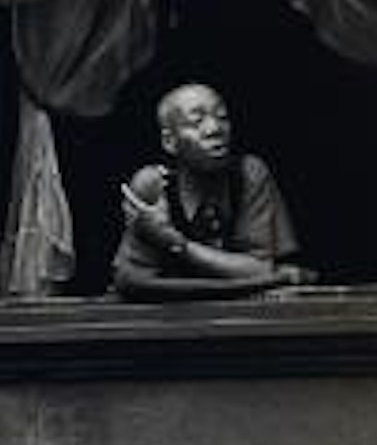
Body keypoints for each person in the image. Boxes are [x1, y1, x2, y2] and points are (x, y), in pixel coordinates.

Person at [112, 82, 316, 302]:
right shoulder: (154, 184)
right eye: (196, 122)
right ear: (170, 141)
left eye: (222, 117)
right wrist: (267, 281)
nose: (215, 129)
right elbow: (130, 281)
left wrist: (174, 242)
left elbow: (258, 269)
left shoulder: (248, 173)